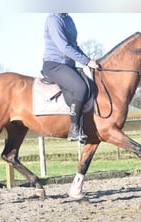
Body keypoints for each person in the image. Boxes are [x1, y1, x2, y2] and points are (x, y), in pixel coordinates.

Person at [42, 13, 99, 141]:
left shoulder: (68, 19)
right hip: (54, 64)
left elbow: (74, 45)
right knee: (80, 87)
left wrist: (89, 60)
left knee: (89, 82)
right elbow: (64, 47)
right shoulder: (53, 19)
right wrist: (86, 61)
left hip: (68, 65)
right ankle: (74, 129)